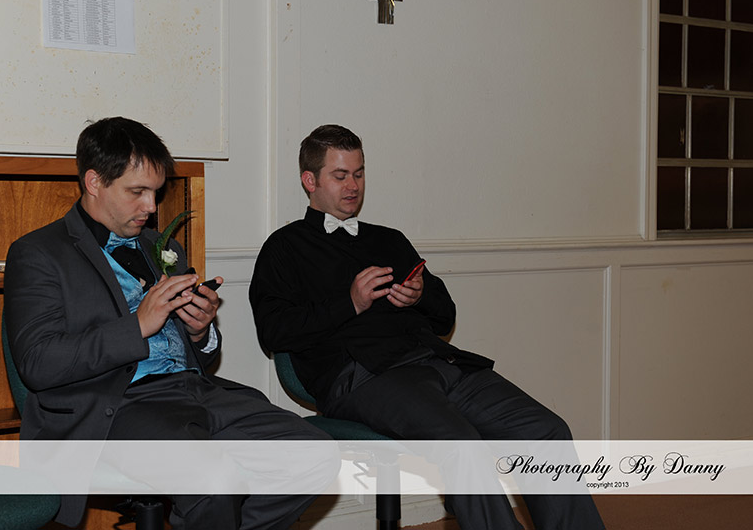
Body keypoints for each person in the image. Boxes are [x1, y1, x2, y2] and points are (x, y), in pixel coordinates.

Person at [249, 124, 605, 530]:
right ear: (309, 181)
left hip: (437, 362)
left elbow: (445, 317)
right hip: (363, 377)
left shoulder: (389, 240)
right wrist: (350, 303)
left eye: (359, 173)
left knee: (546, 431)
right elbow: (274, 332)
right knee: (462, 446)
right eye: (340, 175)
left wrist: (419, 297)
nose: (353, 186)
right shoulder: (284, 248)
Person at [4, 117, 337, 530]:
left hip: (195, 392)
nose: (151, 206)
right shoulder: (38, 253)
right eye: (137, 192)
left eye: (156, 192)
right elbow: (38, 363)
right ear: (94, 182)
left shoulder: (162, 247)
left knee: (316, 455)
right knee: (214, 481)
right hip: (115, 407)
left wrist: (200, 330)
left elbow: (200, 354)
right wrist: (138, 325)